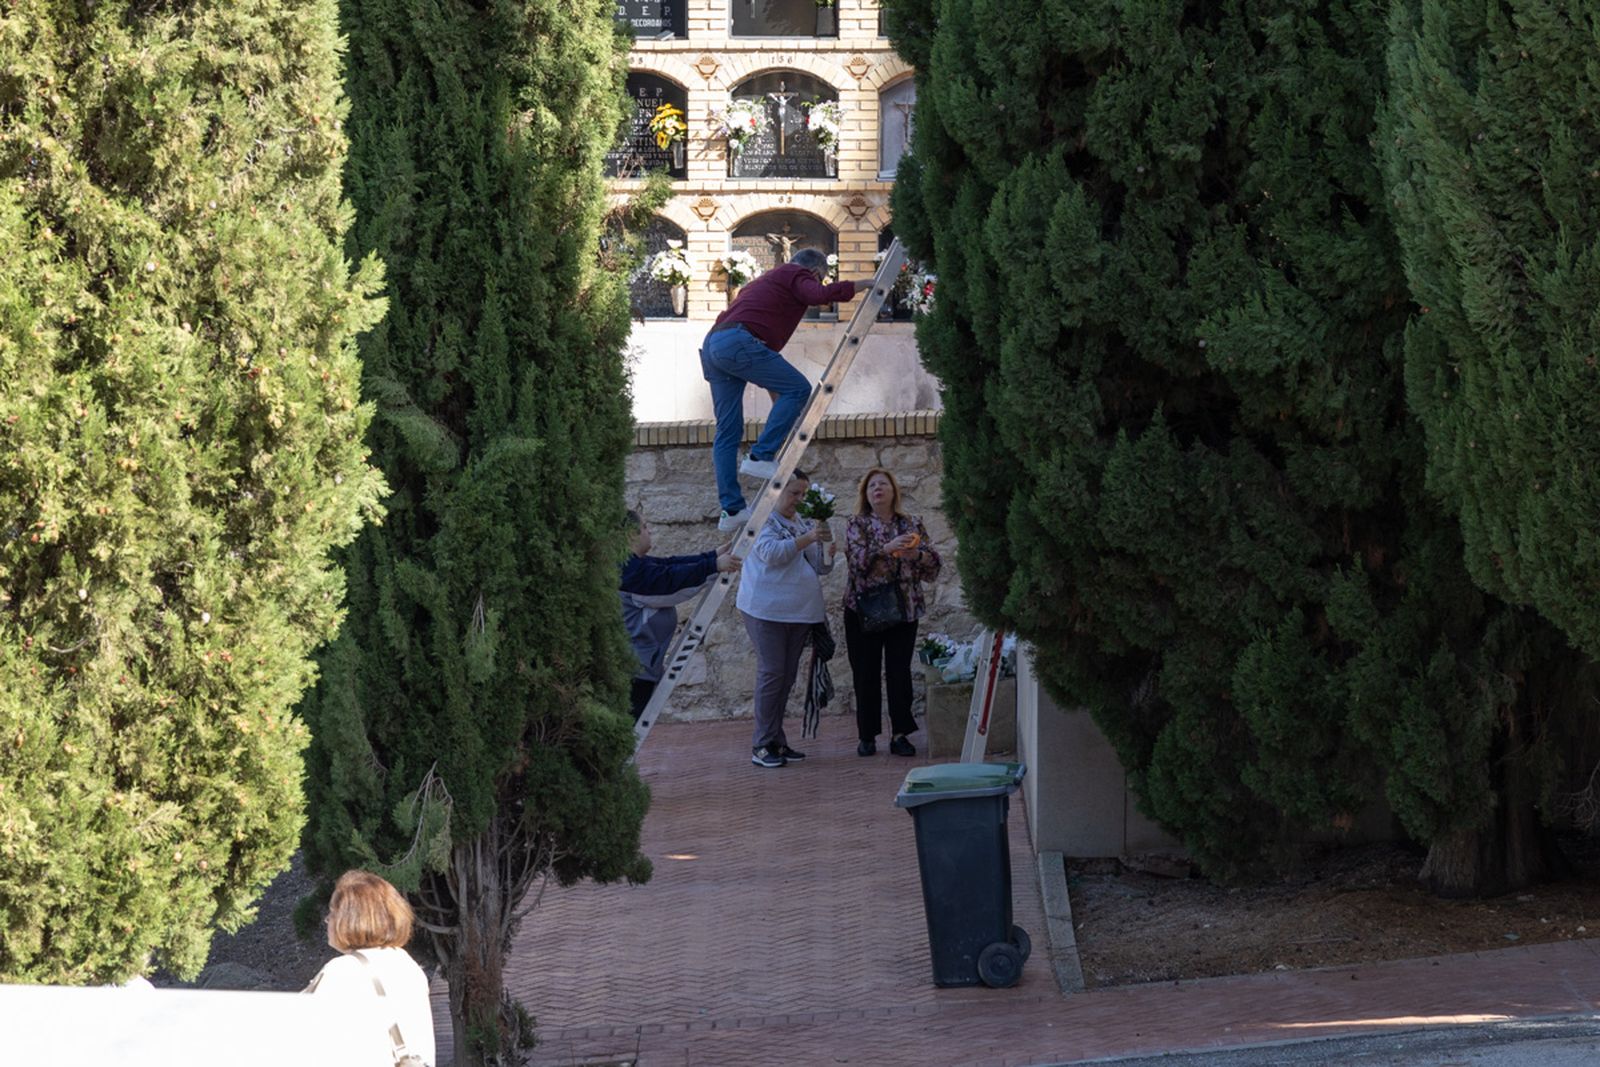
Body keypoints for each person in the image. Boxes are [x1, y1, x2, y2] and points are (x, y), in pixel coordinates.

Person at [701, 248, 876, 532]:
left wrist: (781, 411)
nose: (816, 284)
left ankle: (731, 509)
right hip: (737, 342)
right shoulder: (796, 272)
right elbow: (818, 296)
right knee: (799, 388)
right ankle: (760, 456)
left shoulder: (765, 284)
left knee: (727, 431)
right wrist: (862, 285)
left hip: (715, 345)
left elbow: (769, 370)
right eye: (819, 279)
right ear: (816, 273)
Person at [735, 468, 836, 768]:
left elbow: (818, 567)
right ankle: (762, 744)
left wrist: (827, 551)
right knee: (772, 673)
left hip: (799, 611)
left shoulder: (800, 521)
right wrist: (808, 538)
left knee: (786, 677)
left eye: (803, 494)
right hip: (766, 610)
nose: (799, 500)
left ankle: (776, 740)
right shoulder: (760, 518)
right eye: (794, 493)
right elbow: (771, 553)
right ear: (776, 490)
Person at [843, 466, 941, 757]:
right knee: (865, 673)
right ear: (866, 494)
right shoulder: (856, 524)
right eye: (872, 485)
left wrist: (916, 554)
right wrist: (886, 548)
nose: (878, 489)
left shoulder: (911, 523)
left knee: (899, 672)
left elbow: (934, 565)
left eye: (883, 484)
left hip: (903, 608)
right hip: (864, 609)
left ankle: (900, 734)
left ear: (894, 491)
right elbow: (855, 563)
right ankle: (867, 735)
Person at [305, 870, 435, 1067]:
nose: (327, 921)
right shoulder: (406, 964)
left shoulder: (344, 971)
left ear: (351, 919)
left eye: (332, 913)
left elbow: (301, 1032)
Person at [619, 510, 739, 719]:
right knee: (630, 731)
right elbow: (669, 584)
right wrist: (712, 566)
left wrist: (711, 557)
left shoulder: (634, 564)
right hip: (635, 670)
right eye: (645, 527)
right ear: (631, 534)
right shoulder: (629, 573)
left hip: (641, 666)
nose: (649, 531)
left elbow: (669, 564)